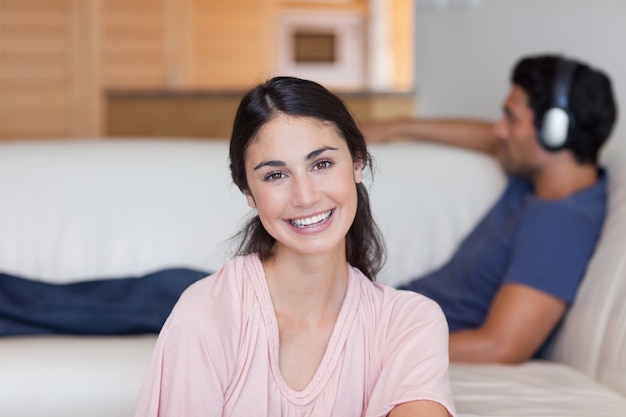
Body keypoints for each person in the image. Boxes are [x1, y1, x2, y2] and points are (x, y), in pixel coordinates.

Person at [133, 76, 457, 417]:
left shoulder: (410, 322)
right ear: (248, 193)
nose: (305, 197)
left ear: (357, 163)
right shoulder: (205, 315)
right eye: (275, 175)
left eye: (322, 164)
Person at [361, 54, 617, 364]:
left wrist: (375, 352)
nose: (498, 130)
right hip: (385, 313)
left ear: (554, 130)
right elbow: (490, 138)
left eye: (511, 118)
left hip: (391, 334)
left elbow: (500, 346)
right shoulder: (537, 176)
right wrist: (395, 126)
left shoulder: (561, 225)